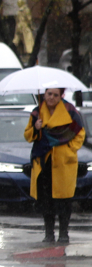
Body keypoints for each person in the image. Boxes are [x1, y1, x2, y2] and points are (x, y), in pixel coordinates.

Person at [25, 87, 85, 244]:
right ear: (44, 94)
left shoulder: (70, 111)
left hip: (63, 162)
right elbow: (28, 135)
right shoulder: (37, 112)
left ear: (61, 96)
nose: (51, 97)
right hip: (44, 162)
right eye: (49, 94)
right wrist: (36, 128)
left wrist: (69, 149)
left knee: (64, 200)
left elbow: (80, 133)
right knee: (46, 200)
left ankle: (64, 234)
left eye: (55, 95)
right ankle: (49, 234)